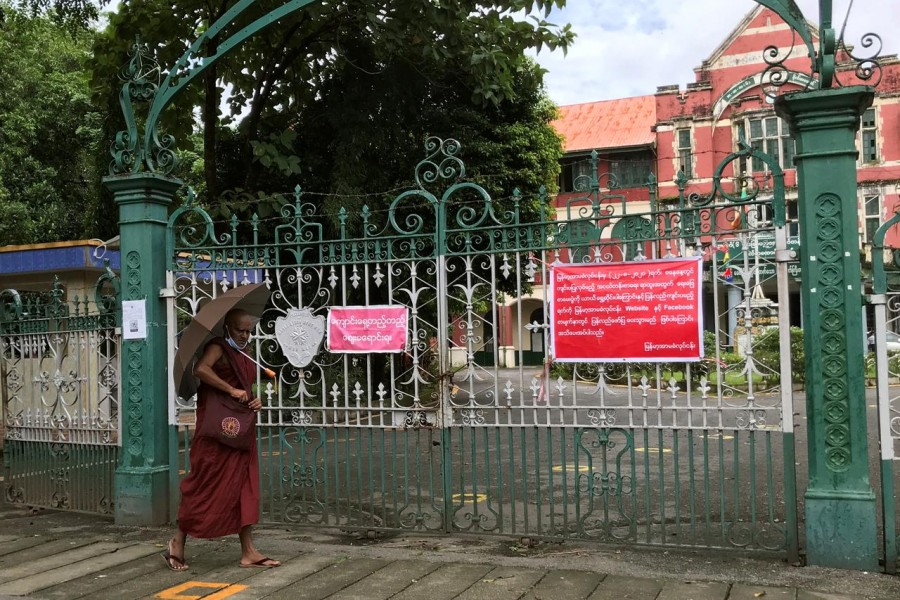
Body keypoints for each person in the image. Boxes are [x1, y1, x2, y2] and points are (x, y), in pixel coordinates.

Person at [163, 308, 281, 571]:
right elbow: (200, 369)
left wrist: (254, 399)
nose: (245, 335)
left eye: (249, 331)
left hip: (240, 431)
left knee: (243, 487)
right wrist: (230, 389)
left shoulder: (244, 353)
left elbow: (245, 388)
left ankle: (248, 551)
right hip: (216, 431)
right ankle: (177, 541)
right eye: (241, 330)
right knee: (204, 483)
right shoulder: (218, 347)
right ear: (228, 327)